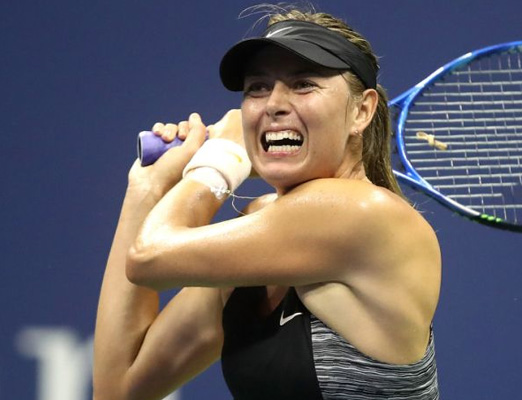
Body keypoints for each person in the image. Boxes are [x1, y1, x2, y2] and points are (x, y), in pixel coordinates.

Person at [93, 6, 441, 400]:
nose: (273, 103)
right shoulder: (262, 225)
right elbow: (118, 390)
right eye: (257, 87)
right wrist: (146, 189)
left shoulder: (363, 214)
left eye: (303, 84)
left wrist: (221, 160)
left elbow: (149, 258)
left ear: (361, 111)